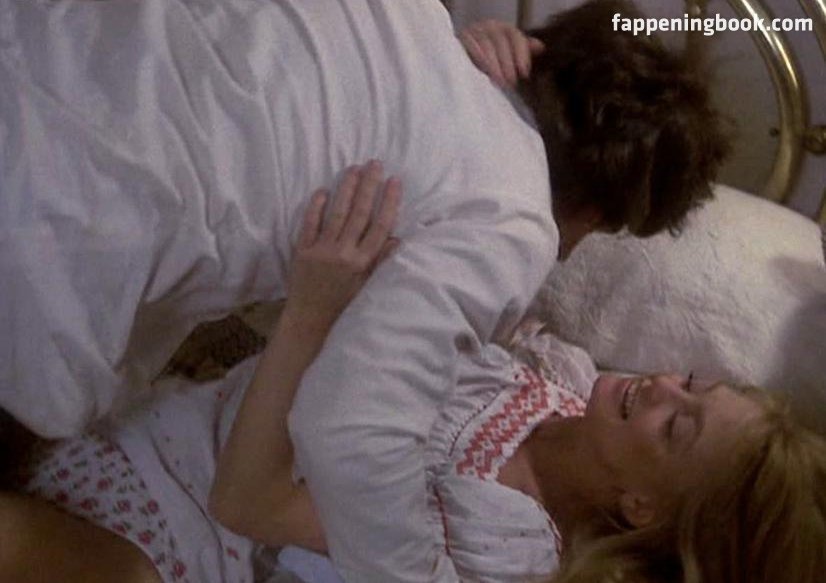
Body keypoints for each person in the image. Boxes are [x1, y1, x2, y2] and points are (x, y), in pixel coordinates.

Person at [0, 0, 729, 579]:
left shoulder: (416, 19)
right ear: (598, 215)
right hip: (55, 227)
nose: (666, 385)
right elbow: (349, 427)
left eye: (681, 419)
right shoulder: (518, 223)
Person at [5, 167, 824, 583]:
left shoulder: (499, 543)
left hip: (179, 541)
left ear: (641, 507)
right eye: (692, 381)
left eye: (677, 425)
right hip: (159, 418)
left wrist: (310, 311)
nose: (662, 386)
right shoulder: (556, 373)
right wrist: (510, 82)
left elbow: (245, 500)